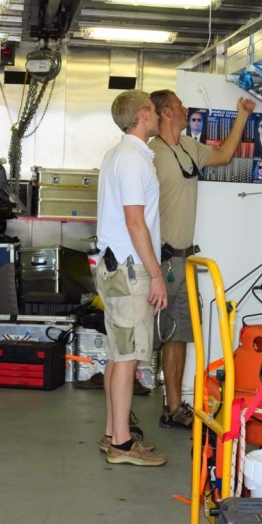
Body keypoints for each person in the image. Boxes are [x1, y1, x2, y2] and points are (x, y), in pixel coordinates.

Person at [148, 89, 256, 429]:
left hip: (184, 259)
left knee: (179, 333)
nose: (185, 108)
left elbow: (224, 155)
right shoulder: (151, 154)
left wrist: (242, 116)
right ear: (166, 112)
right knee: (160, 334)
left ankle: (174, 405)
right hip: (160, 260)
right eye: (180, 105)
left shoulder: (188, 147)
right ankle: (152, 408)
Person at [95, 89, 168, 466]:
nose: (158, 116)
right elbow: (135, 220)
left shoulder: (117, 155)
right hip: (129, 271)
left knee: (116, 354)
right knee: (127, 357)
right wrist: (155, 274)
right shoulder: (133, 160)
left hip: (112, 268)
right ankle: (123, 445)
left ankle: (113, 432)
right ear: (142, 115)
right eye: (155, 111)